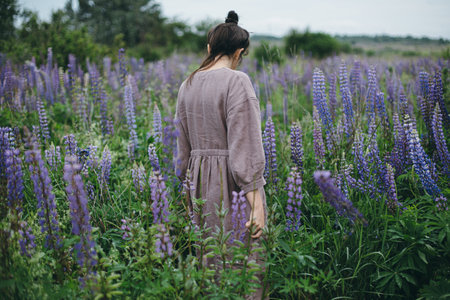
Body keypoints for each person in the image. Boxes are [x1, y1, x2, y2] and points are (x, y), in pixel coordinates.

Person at [175, 10, 267, 299]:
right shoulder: (237, 81)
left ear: (209, 49)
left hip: (198, 183)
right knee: (244, 262)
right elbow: (246, 148)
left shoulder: (186, 84)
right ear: (239, 52)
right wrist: (257, 204)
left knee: (209, 259)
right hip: (234, 187)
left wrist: (186, 189)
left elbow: (182, 151)